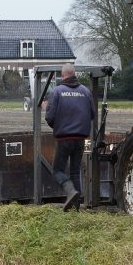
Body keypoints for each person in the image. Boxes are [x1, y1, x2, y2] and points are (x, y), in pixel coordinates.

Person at [45, 63, 95, 211]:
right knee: (74, 171)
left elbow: (49, 117)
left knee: (58, 171)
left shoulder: (57, 91)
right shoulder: (86, 91)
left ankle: (70, 191)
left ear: (63, 75)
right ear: (75, 74)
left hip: (64, 139)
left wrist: (59, 127)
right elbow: (92, 114)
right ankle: (76, 208)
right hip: (81, 139)